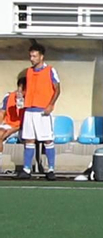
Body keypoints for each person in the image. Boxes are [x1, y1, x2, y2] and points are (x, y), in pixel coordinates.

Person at [17, 42, 61, 179]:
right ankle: (26, 169)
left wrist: (50, 105)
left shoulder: (50, 70)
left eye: (34, 56)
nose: (32, 58)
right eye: (31, 56)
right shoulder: (29, 71)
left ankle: (51, 169)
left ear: (41, 57)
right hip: (29, 109)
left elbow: (57, 89)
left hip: (42, 110)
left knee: (47, 139)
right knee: (29, 140)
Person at [1, 71, 25, 149]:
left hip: (23, 127)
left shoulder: (32, 100)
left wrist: (12, 130)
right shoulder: (9, 97)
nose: (19, 92)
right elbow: (2, 113)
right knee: (1, 133)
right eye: (19, 89)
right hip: (8, 125)